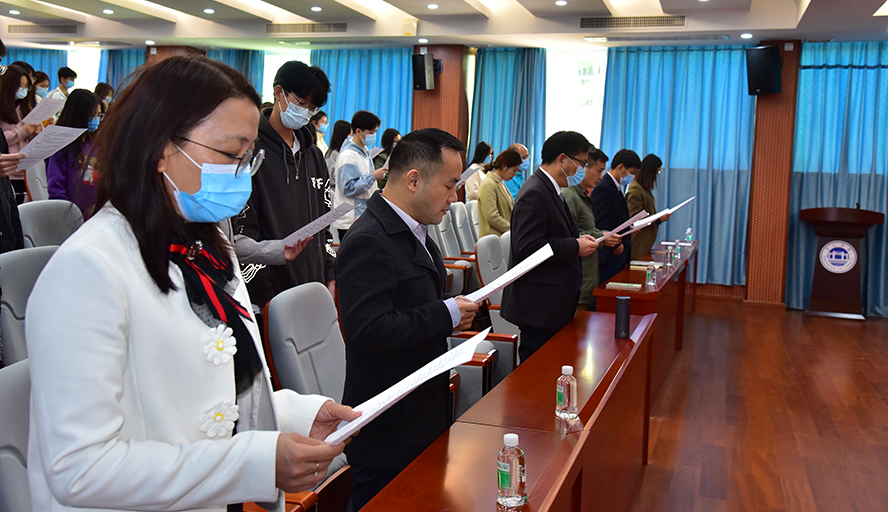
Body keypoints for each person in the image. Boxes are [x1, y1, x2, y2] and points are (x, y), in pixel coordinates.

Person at [26, 55, 360, 512]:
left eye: (249, 158)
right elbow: (79, 468)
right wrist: (254, 463)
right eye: (230, 155)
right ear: (161, 147)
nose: (241, 173)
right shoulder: (88, 268)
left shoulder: (208, 247)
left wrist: (300, 415)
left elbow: (210, 391)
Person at [335, 127, 479, 510]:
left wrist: (451, 308)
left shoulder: (416, 229)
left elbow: (414, 300)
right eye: (449, 185)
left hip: (420, 410)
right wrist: (444, 314)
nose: (454, 198)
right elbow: (368, 330)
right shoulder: (370, 239)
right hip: (389, 428)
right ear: (413, 180)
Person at [233, 60, 337, 310]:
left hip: (313, 286)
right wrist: (265, 294)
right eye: (301, 103)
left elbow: (323, 222)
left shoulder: (313, 155)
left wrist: (329, 272)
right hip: (268, 295)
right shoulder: (250, 151)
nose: (306, 112)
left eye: (312, 108)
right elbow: (243, 232)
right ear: (278, 92)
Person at [501, 131, 599, 363]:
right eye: (581, 163)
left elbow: (553, 234)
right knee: (537, 370)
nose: (582, 170)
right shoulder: (535, 192)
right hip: (540, 306)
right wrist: (575, 246)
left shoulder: (551, 189)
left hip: (552, 303)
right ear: (562, 159)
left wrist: (577, 241)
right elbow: (527, 247)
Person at [562, 147, 622, 314]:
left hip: (587, 276)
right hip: (577, 279)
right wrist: (600, 239)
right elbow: (567, 237)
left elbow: (585, 229)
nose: (601, 177)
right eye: (599, 171)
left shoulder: (582, 195)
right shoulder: (570, 196)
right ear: (584, 168)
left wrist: (601, 235)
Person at [45, 89, 102, 218]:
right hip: (69, 216)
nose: (96, 120)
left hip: (95, 214)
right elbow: (56, 187)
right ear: (79, 115)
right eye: (92, 115)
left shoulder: (97, 144)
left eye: (99, 115)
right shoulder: (61, 145)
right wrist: (68, 214)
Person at [331, 110, 384, 241]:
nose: (374, 135)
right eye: (371, 132)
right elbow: (348, 188)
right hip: (350, 219)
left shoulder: (364, 152)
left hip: (362, 216)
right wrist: (373, 177)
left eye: (375, 132)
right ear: (358, 131)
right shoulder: (348, 156)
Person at [0, 64, 49, 202]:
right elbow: (2, 139)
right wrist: (21, 132)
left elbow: (31, 140)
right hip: (9, 170)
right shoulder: (3, 109)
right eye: (20, 85)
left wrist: (37, 132)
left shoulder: (25, 107)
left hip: (28, 170)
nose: (23, 89)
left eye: (26, 86)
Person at [591, 149, 640, 284]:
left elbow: (616, 217)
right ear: (621, 167)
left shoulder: (615, 187)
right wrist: (614, 246)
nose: (632, 177)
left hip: (619, 249)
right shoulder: (604, 187)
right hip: (610, 253)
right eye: (632, 173)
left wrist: (628, 228)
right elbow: (599, 221)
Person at [627, 153, 669, 259]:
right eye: (657, 172)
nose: (657, 175)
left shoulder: (643, 189)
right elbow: (634, 219)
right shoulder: (635, 190)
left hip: (644, 246)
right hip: (637, 247)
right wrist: (658, 219)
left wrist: (658, 219)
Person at [477, 148, 520, 237]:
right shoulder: (489, 184)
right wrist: (514, 230)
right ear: (504, 167)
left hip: (503, 236)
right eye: (514, 170)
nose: (515, 174)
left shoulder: (500, 182)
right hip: (493, 238)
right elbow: (492, 217)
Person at [324, 119, 351, 191]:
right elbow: (331, 175)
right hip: (334, 191)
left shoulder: (344, 152)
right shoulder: (334, 154)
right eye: (350, 135)